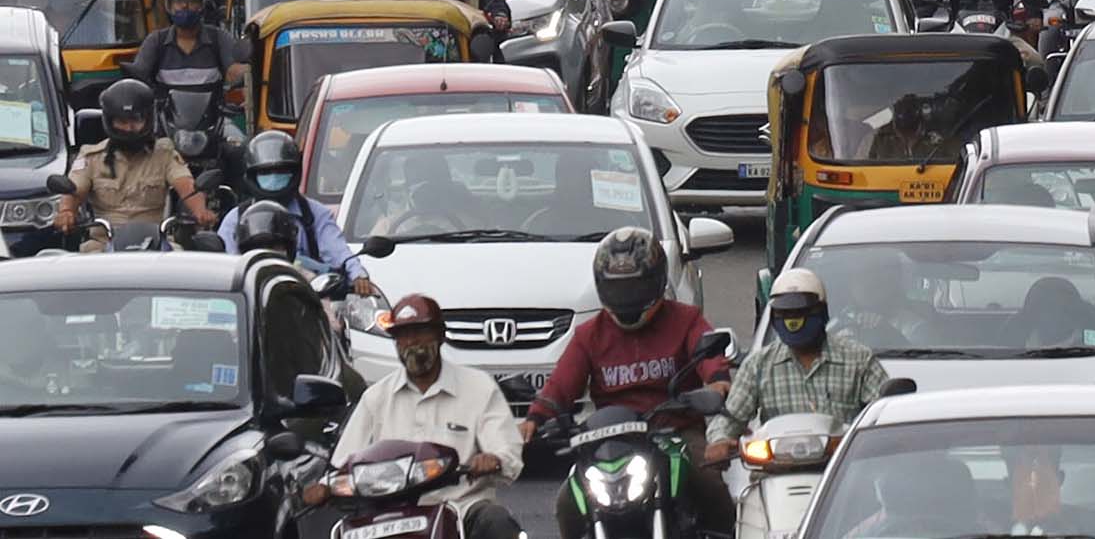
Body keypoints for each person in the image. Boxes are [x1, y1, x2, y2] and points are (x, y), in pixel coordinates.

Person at [521, 229, 734, 537]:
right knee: (568, 501)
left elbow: (709, 356)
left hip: (674, 431)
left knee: (709, 483)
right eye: (619, 289)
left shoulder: (685, 318)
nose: (628, 299)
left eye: (636, 287)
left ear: (657, 281)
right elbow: (561, 384)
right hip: (609, 439)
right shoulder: (589, 334)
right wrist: (535, 418)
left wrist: (716, 382)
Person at [304, 294, 525, 539]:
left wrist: (492, 459)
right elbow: (342, 464)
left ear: (440, 336)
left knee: (497, 523)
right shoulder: (375, 397)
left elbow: (508, 453)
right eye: (403, 336)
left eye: (420, 333)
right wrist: (324, 486)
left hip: (462, 510)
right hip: (386, 517)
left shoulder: (478, 388)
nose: (412, 342)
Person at [703, 269, 889, 464]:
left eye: (801, 312)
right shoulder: (758, 365)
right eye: (785, 313)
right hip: (774, 471)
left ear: (822, 312)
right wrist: (720, 441)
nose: (793, 320)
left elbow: (885, 415)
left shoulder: (858, 360)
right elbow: (729, 418)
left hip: (842, 474)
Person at [54, 78, 216, 251]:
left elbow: (187, 186)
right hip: (102, 245)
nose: (129, 128)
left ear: (148, 119)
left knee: (186, 264)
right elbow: (75, 190)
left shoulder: (165, 153)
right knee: (58, 261)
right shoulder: (91, 157)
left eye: (136, 121)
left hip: (155, 243)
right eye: (122, 122)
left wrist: (200, 211)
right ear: (109, 121)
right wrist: (66, 213)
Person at [219, 132, 375, 290]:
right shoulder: (235, 219)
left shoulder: (315, 214)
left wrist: (356, 274)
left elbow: (338, 250)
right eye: (265, 172)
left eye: (281, 171)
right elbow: (225, 266)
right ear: (252, 175)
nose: (274, 178)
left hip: (307, 296)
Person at [123, 0, 249, 93]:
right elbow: (138, 76)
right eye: (178, 1)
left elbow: (234, 71)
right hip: (166, 114)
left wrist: (247, 71)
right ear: (169, 6)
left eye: (192, 1)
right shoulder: (156, 41)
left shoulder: (218, 37)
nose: (185, 6)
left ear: (201, 4)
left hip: (211, 114)